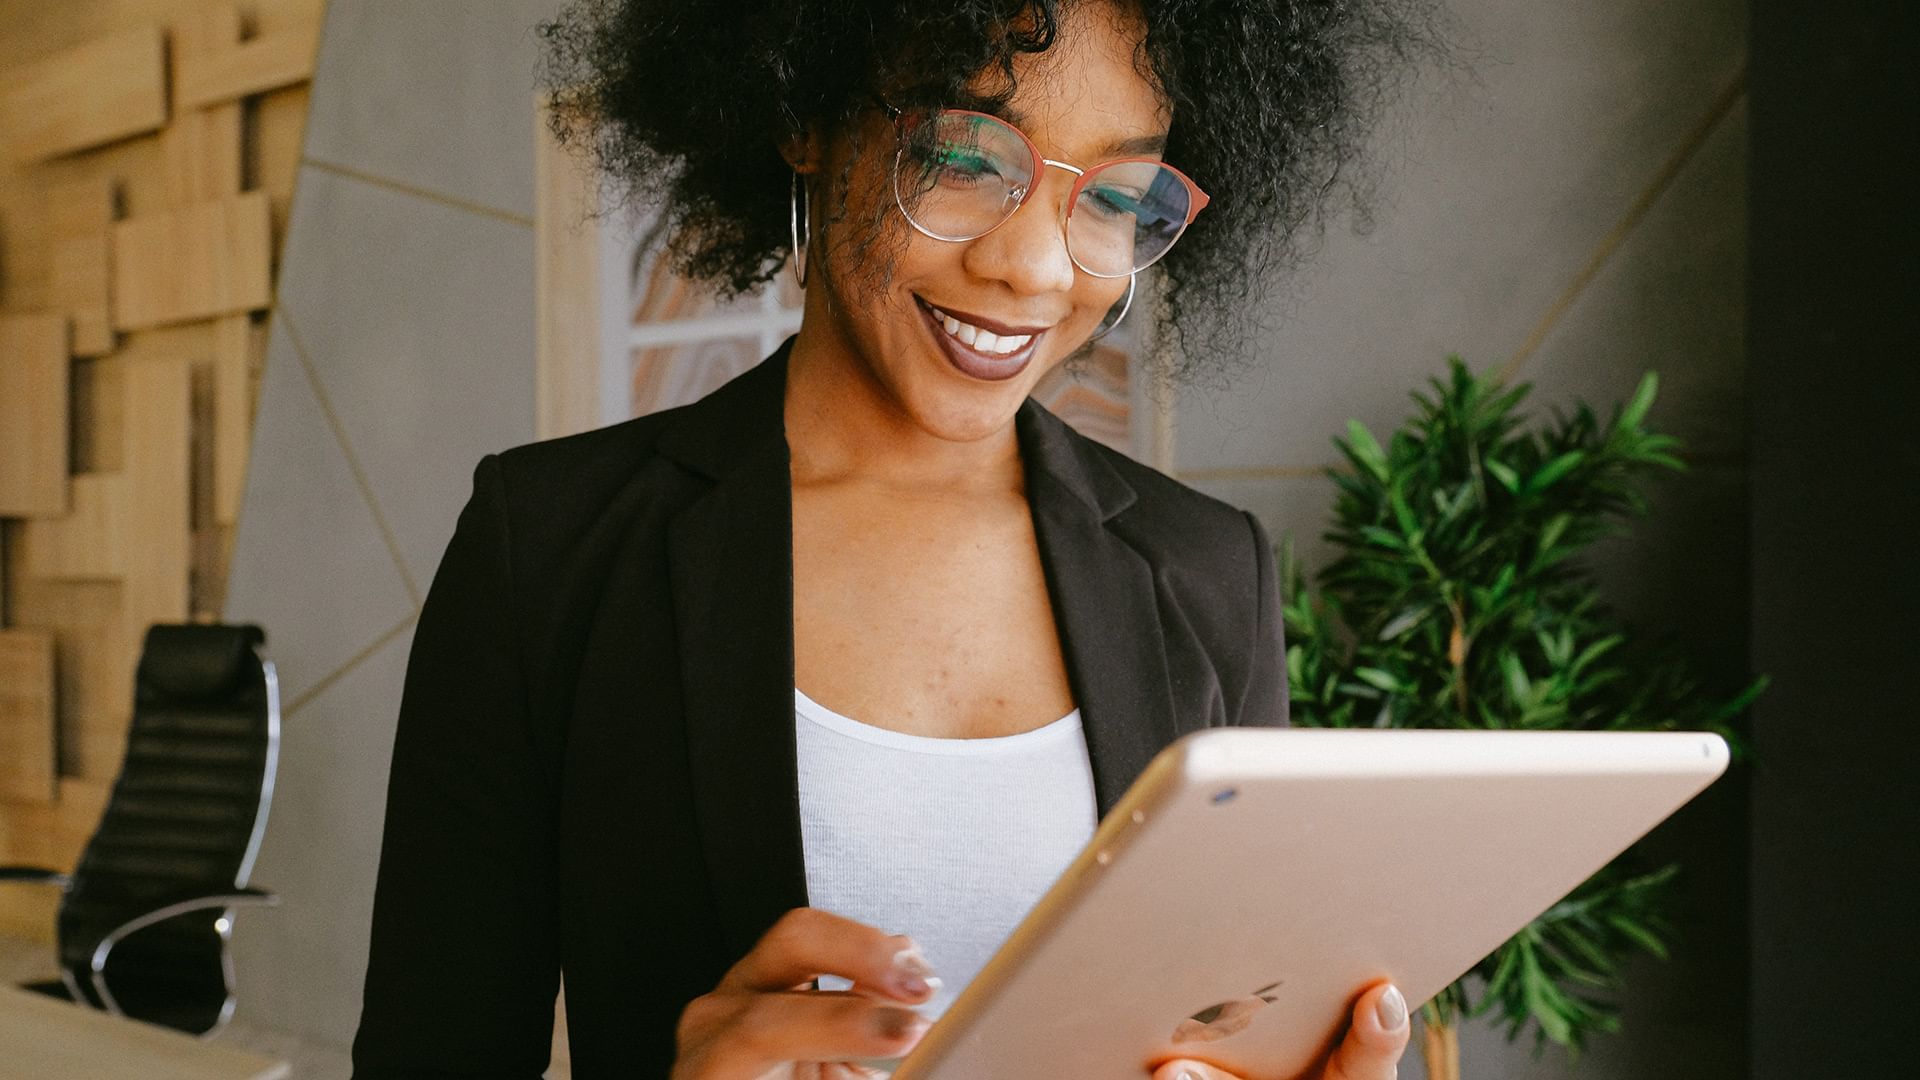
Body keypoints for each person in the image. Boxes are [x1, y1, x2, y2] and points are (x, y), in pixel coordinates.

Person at [351, 1, 1433, 1077]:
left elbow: (1231, 1020)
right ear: (804, 116)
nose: (1039, 269)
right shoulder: (547, 548)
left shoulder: (1208, 571)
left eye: (1114, 195)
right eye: (965, 159)